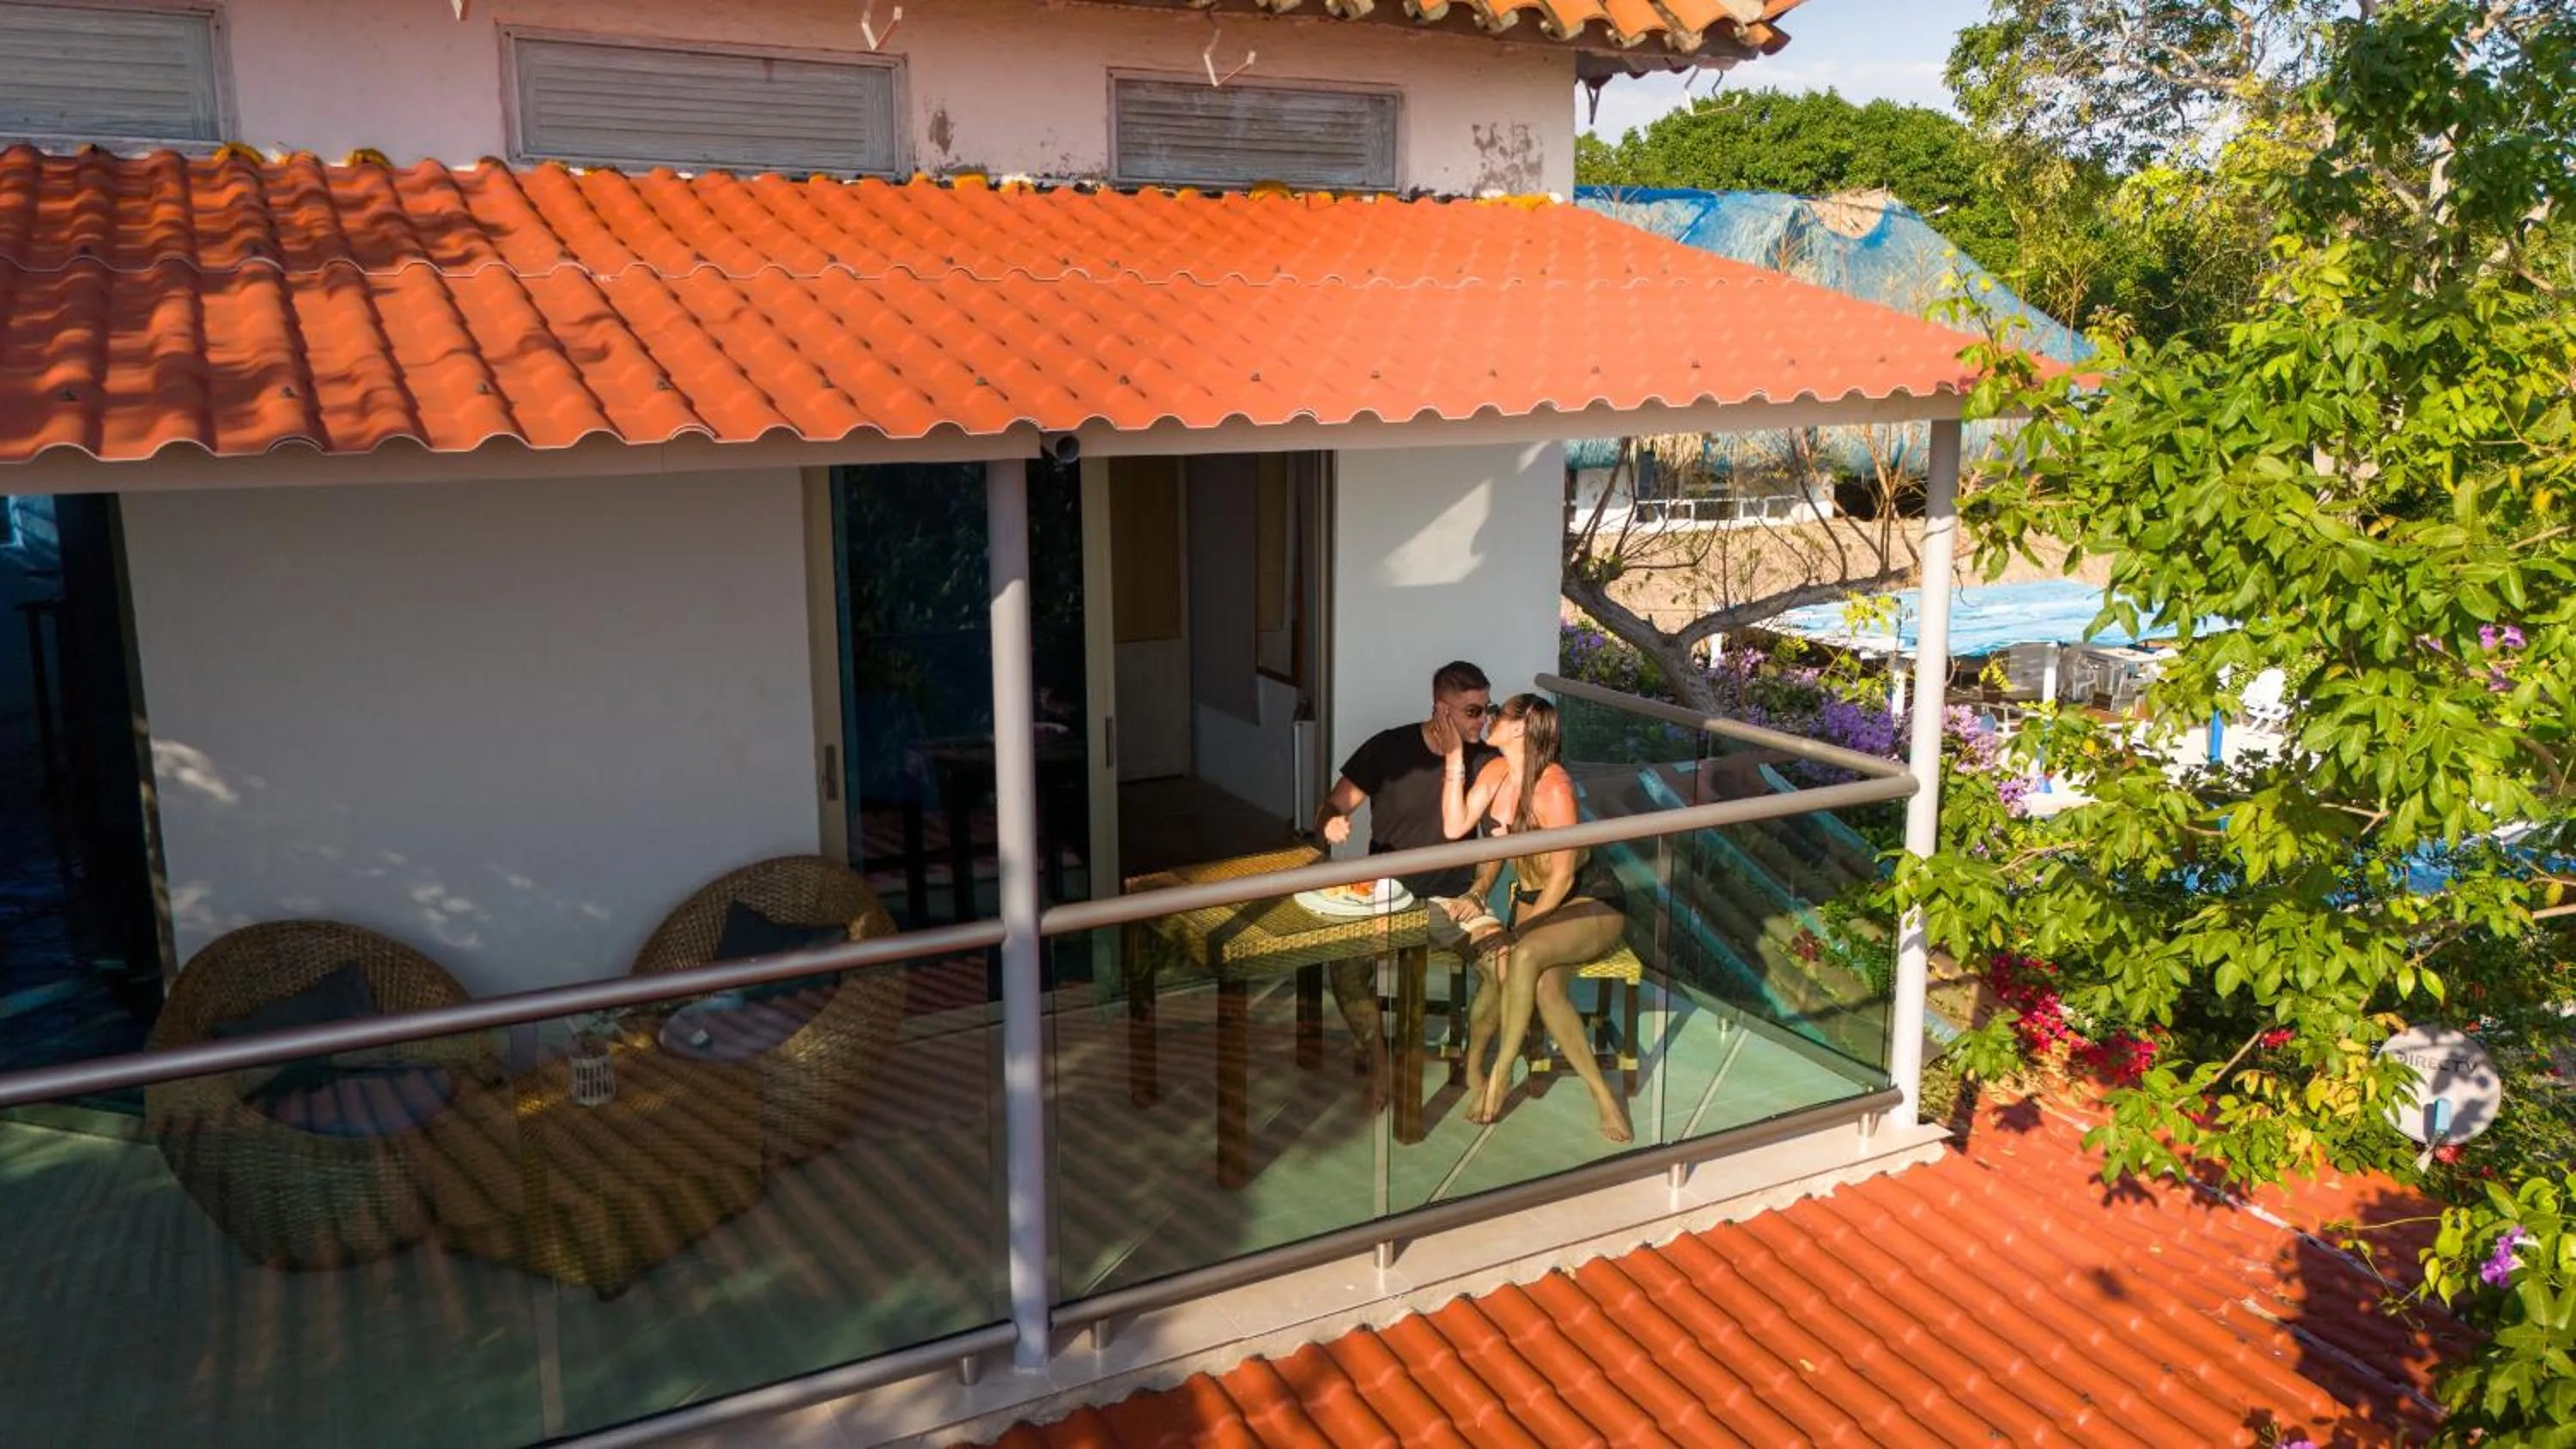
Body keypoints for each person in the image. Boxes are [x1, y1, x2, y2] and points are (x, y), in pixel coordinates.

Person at [1437, 693, 1631, 1142]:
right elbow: (1455, 826)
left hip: (1587, 900)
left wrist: (1520, 931)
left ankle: (1502, 1074)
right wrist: (1453, 760)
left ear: (1522, 726)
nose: (1489, 719)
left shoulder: (1554, 786)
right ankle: (1480, 1070)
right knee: (1529, 981)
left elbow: (1563, 877)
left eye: (1498, 714)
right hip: (1533, 896)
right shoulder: (1495, 771)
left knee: (1520, 956)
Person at [1310, 661, 1498, 1101]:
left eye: (1487, 709)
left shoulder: (1487, 761)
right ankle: (1378, 1062)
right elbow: (1333, 806)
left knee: (1502, 966)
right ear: (1441, 710)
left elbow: (1496, 845)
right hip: (1387, 896)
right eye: (1473, 711)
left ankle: (1470, 1063)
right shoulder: (1388, 750)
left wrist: (1479, 891)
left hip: (1454, 899)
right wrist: (1331, 824)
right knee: (1346, 968)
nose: (1483, 720)